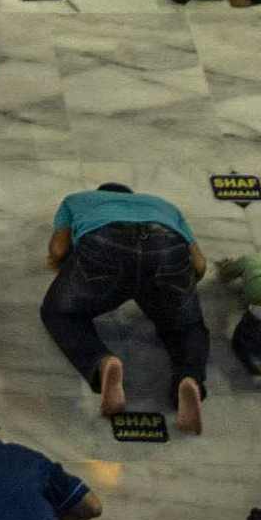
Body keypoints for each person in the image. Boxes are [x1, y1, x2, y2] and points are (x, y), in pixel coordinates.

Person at [42, 181, 209, 425]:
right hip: (166, 249)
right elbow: (200, 265)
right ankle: (189, 379)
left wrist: (72, 275)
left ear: (100, 193)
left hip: (105, 245)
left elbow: (58, 251)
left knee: (59, 312)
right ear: (132, 195)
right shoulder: (164, 206)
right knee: (186, 326)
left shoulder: (76, 199)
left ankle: (102, 363)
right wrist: (176, 294)